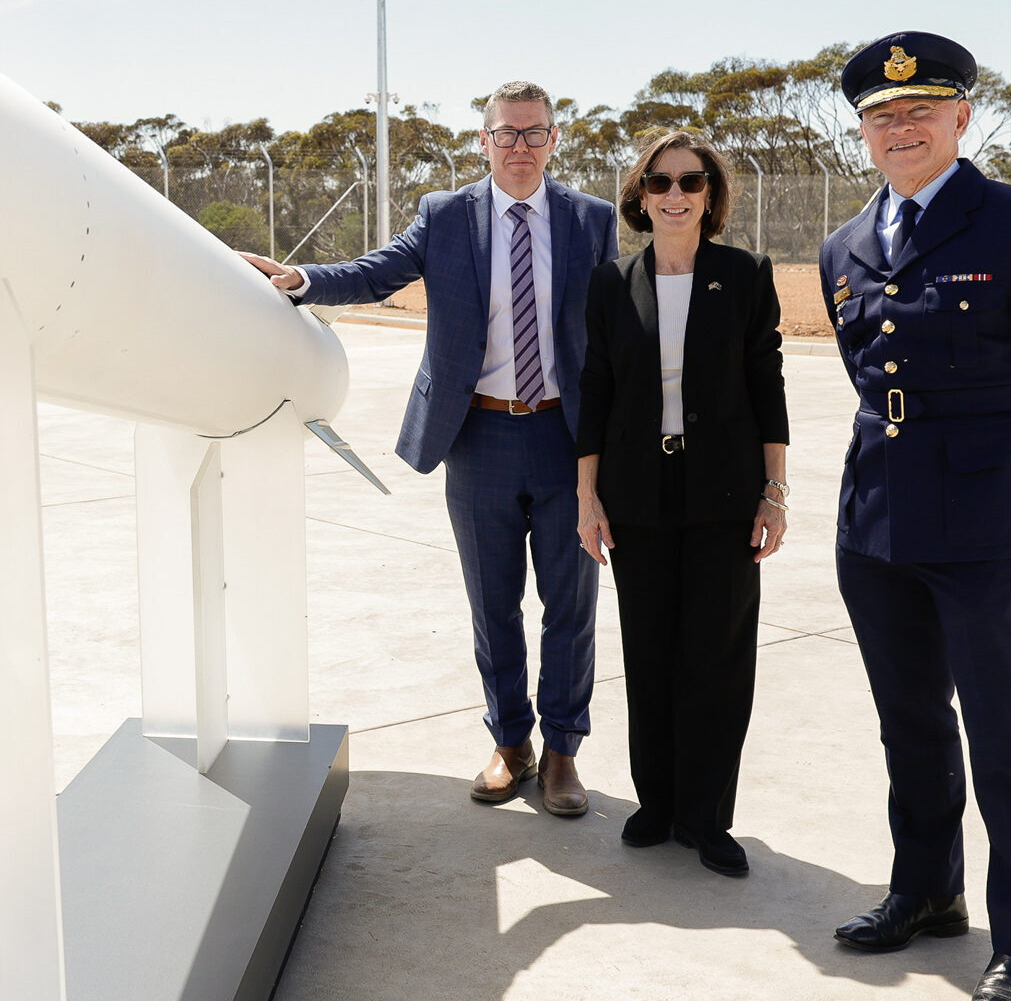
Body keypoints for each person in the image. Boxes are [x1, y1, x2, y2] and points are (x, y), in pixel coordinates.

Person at [820, 32, 1011, 1001]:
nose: (897, 127)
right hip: (874, 514)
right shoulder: (843, 244)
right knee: (906, 719)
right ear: (859, 131)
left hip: (984, 509)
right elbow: (868, 374)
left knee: (1004, 730)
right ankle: (924, 892)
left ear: (959, 118)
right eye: (878, 115)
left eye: (917, 109)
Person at [241, 81, 618, 815]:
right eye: (506, 134)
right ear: (483, 141)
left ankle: (564, 751)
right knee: (492, 604)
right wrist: (303, 279)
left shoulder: (589, 219)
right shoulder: (447, 216)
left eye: (534, 133)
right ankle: (512, 744)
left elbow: (611, 329)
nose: (520, 147)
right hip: (477, 436)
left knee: (570, 605)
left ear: (555, 139)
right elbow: (378, 272)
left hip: (565, 437)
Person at [573, 131, 789, 878]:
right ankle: (656, 804)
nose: (674, 194)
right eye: (659, 182)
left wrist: (775, 490)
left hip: (724, 494)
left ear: (710, 194)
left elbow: (768, 383)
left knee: (718, 659)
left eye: (690, 182)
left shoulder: (745, 274)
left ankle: (708, 816)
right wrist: (586, 495)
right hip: (636, 494)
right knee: (650, 651)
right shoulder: (612, 282)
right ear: (639, 195)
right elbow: (595, 387)